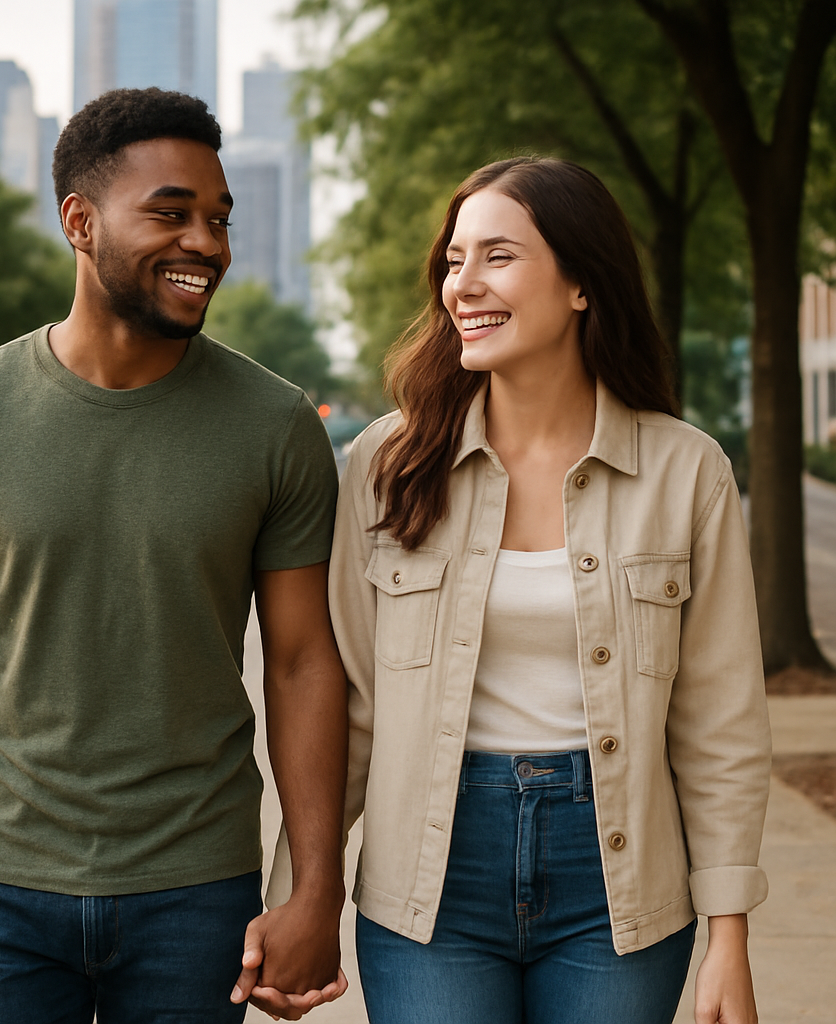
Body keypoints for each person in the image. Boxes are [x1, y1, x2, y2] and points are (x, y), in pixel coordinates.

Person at [0, 87, 349, 1024]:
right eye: (171, 214)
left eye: (218, 218)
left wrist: (314, 888)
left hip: (198, 889)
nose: (206, 242)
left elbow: (301, 661)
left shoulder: (275, 425)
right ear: (80, 222)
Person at [273, 157, 771, 1023]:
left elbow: (719, 718)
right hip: (427, 878)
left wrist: (728, 933)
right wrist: (300, 892)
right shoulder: (388, 466)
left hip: (618, 886)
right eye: (455, 260)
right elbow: (351, 703)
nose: (462, 284)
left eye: (497, 257)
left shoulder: (686, 472)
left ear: (581, 282)